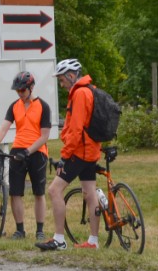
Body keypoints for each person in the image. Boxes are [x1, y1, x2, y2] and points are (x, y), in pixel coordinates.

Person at [36, 58, 103, 251]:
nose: (61, 83)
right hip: (90, 151)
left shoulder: (81, 94)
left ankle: (59, 239)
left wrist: (64, 157)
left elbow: (75, 130)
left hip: (79, 152)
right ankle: (93, 241)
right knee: (90, 194)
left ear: (71, 75)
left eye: (62, 79)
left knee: (54, 190)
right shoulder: (89, 90)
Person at [0, 71, 51, 241]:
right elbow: (3, 128)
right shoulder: (14, 106)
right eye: (17, 91)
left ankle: (40, 230)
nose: (20, 94)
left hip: (37, 152)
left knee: (38, 193)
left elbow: (44, 136)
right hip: (17, 151)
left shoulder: (43, 106)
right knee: (15, 193)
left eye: (22, 90)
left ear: (31, 88)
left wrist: (28, 151)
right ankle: (20, 230)